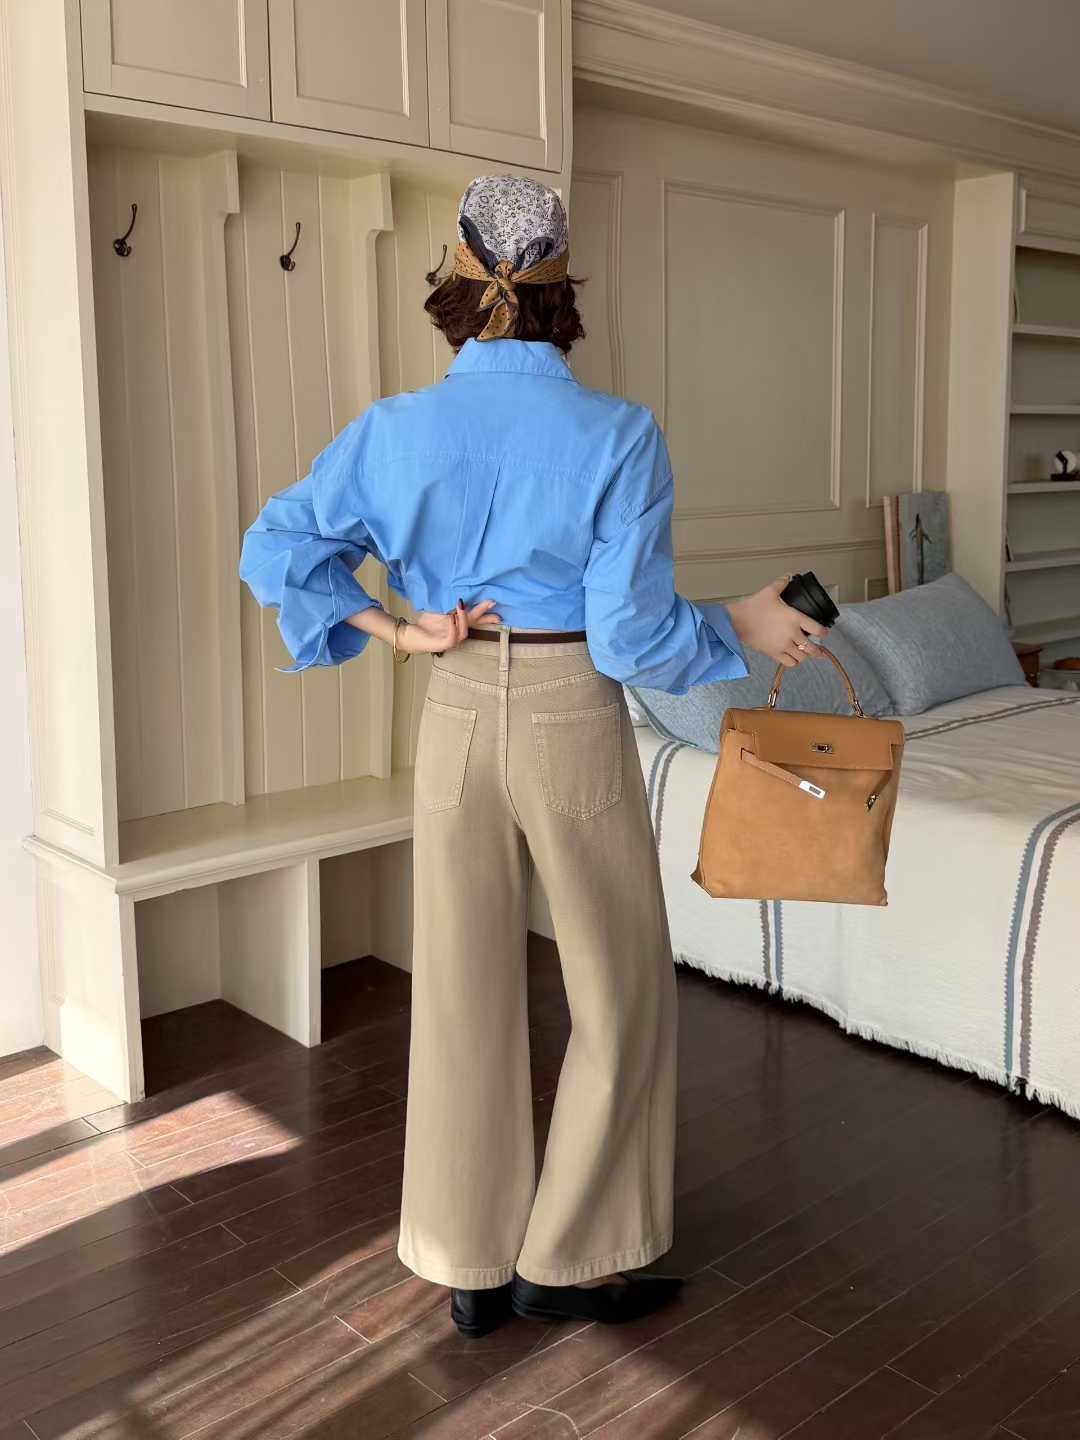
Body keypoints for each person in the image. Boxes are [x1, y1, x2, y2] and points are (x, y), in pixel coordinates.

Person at [239, 175, 826, 1338]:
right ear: (564, 288)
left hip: (455, 708)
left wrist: (401, 632)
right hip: (569, 712)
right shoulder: (618, 434)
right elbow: (632, 640)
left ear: (456, 279)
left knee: (460, 985)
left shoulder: (395, 430)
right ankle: (570, 1254)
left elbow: (277, 546)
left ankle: (468, 1260)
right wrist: (744, 625)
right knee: (617, 986)